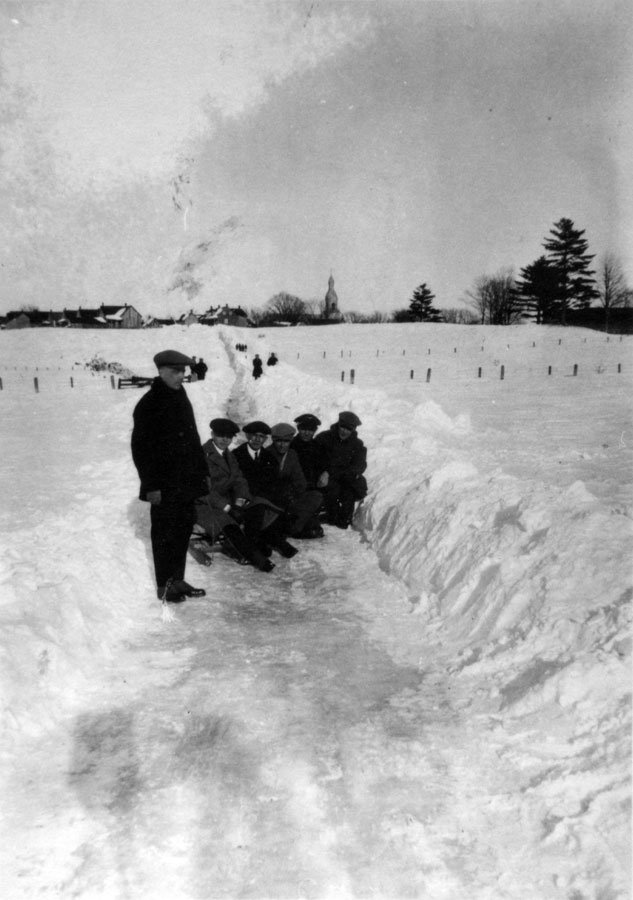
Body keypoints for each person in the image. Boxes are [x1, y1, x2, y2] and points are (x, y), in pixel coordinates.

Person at [131, 349, 208, 602]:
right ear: (161, 372)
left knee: (182, 530)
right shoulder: (149, 404)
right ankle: (165, 586)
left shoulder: (180, 395)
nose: (181, 376)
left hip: (186, 481)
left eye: (183, 371)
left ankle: (178, 579)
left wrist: (203, 473)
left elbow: (193, 437)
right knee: (164, 534)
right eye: (175, 372)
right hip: (163, 484)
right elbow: (140, 450)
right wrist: (151, 486)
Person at [194, 419, 278, 572]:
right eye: (221, 436)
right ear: (212, 434)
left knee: (257, 505)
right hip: (205, 503)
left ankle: (253, 544)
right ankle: (257, 558)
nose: (225, 440)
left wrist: (239, 502)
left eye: (229, 436)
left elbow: (239, 480)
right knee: (228, 524)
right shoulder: (201, 455)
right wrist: (227, 507)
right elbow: (203, 490)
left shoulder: (229, 455)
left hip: (228, 500)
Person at [232, 421, 298, 557]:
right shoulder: (236, 455)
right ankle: (262, 541)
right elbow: (235, 482)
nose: (257, 439)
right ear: (247, 436)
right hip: (243, 497)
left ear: (265, 439)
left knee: (279, 504)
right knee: (258, 508)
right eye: (254, 435)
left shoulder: (269, 458)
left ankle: (274, 539)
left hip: (263, 498)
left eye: (261, 437)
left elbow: (274, 482)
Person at [268, 423, 324, 538]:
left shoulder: (292, 454)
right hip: (274, 500)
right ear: (273, 440)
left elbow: (300, 480)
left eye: (286, 441)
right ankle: (295, 528)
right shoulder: (267, 454)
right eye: (279, 441)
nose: (282, 445)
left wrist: (295, 492)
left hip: (291, 496)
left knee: (316, 495)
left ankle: (294, 526)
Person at [314, 411, 368, 529]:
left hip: (344, 479)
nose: (344, 431)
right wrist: (323, 472)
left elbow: (360, 465)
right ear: (338, 425)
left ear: (353, 429)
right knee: (330, 491)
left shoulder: (357, 445)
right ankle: (328, 514)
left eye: (348, 429)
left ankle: (341, 517)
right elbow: (315, 460)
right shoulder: (323, 438)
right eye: (342, 427)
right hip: (325, 480)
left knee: (344, 521)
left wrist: (332, 472)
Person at [291, 413, 328, 491]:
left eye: (310, 430)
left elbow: (325, 465)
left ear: (315, 431)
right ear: (298, 429)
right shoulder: (291, 445)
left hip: (314, 487)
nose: (307, 433)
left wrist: (326, 473)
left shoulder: (319, 447)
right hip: (294, 486)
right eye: (304, 429)